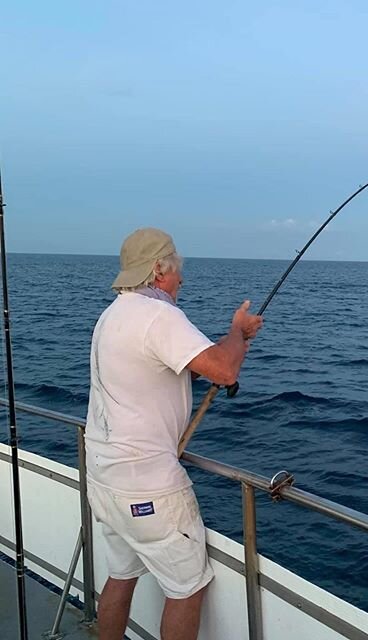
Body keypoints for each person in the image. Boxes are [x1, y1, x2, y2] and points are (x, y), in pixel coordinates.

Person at [84, 228, 263, 640]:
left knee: (120, 576)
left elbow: (204, 359)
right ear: (160, 270)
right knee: (187, 589)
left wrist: (235, 340)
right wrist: (237, 330)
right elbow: (224, 370)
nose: (182, 280)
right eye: (178, 270)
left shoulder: (115, 314)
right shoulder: (159, 315)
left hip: (105, 476)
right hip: (147, 486)